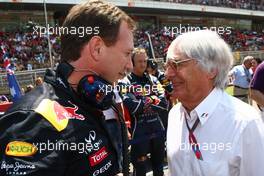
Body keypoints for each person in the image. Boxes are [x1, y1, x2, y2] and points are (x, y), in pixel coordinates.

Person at [0, 0, 135, 175]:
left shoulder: (86, 99)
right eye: (127, 53)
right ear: (97, 48)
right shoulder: (33, 120)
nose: (130, 66)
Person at [165, 30, 264, 176]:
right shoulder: (174, 115)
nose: (168, 74)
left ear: (211, 70)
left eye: (176, 64)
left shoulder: (245, 123)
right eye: (167, 65)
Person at [122, 48, 167, 176]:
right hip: (139, 133)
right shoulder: (125, 82)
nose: (143, 64)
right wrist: (153, 100)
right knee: (140, 170)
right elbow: (130, 105)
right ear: (132, 62)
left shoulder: (154, 80)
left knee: (159, 167)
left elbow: (164, 103)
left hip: (157, 130)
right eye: (139, 61)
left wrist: (143, 102)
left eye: (145, 61)